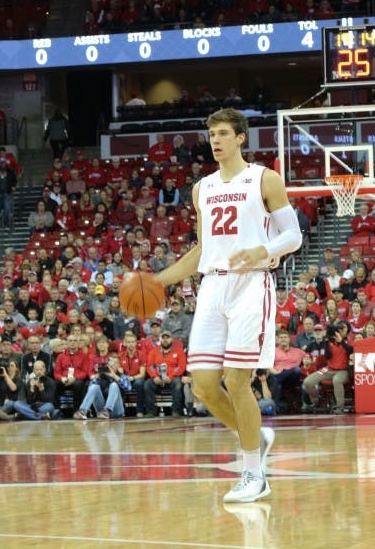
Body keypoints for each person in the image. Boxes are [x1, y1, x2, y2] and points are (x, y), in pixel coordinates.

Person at [155, 107, 302, 503]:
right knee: (203, 387)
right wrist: (156, 281)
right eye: (211, 135)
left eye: (222, 134)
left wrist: (263, 250)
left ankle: (255, 473)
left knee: (237, 381)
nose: (215, 141)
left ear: (240, 138)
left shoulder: (264, 179)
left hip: (252, 284)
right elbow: (202, 250)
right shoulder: (201, 188)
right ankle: (255, 434)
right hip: (212, 287)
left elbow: (294, 236)